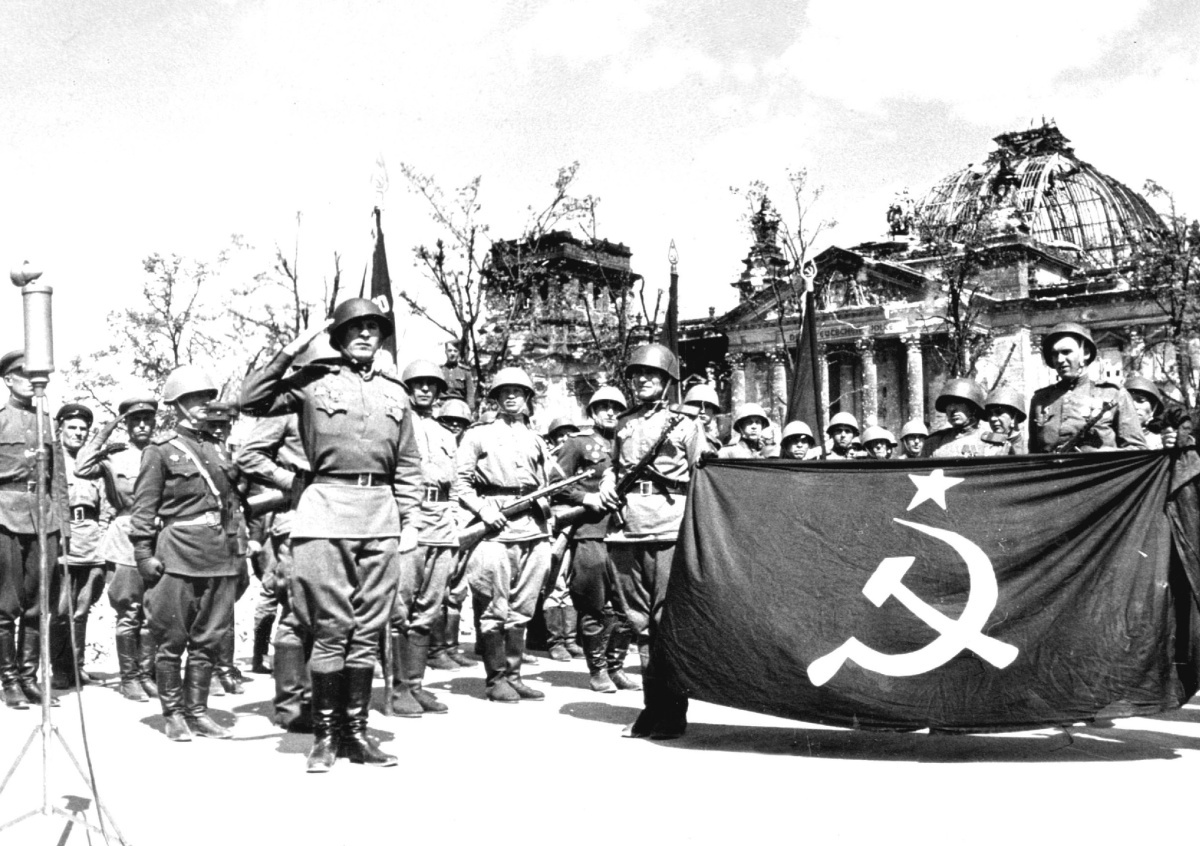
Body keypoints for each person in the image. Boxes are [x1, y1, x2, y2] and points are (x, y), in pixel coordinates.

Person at [241, 299, 422, 772]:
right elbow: (251, 400)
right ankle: (324, 736)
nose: (365, 335)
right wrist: (292, 350)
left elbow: (408, 463)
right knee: (330, 627)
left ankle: (355, 734)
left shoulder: (396, 393)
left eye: (373, 328)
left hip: (380, 515)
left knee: (367, 629)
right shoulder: (313, 380)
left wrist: (410, 523)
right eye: (355, 328)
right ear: (338, 336)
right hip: (324, 511)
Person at [599, 343, 709, 740]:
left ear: (667, 381)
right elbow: (613, 466)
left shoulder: (685, 424)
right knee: (639, 623)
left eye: (652, 375)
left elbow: (704, 475)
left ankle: (673, 712)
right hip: (626, 528)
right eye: (638, 374)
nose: (643, 380)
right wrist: (607, 483)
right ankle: (652, 708)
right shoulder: (623, 423)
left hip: (667, 528)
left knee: (665, 622)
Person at [131, 366, 242, 741]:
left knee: (208, 638)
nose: (204, 405)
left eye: (207, 398)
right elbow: (144, 509)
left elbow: (231, 503)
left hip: (219, 552)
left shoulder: (218, 448)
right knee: (171, 639)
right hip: (178, 553)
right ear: (177, 405)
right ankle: (174, 714)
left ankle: (198, 711)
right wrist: (143, 553)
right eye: (195, 399)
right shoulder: (160, 451)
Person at [454, 366, 553, 704]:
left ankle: (514, 676)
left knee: (523, 606)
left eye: (518, 391)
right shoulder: (478, 435)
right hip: (494, 527)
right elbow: (460, 483)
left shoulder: (536, 438)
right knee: (493, 605)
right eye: (504, 392)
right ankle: (496, 679)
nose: (511, 397)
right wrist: (483, 510)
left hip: (533, 527)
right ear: (495, 398)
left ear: (527, 397)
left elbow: (547, 482)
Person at [553, 386, 640, 693]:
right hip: (591, 530)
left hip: (627, 532)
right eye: (603, 407)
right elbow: (556, 484)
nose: (610, 412)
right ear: (592, 412)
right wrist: (586, 498)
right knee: (593, 603)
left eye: (616, 407)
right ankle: (598, 670)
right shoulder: (578, 443)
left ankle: (616, 667)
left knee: (627, 604)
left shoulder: (631, 443)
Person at [75, 396, 160, 702]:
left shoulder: (162, 452)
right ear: (126, 424)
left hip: (159, 537)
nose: (142, 425)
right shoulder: (115, 457)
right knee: (130, 611)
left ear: (154, 422)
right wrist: (108, 429)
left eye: (147, 420)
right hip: (126, 537)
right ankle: (129, 678)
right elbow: (82, 466)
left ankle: (147, 674)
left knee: (153, 612)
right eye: (134, 420)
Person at [387, 359, 459, 717]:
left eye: (432, 384)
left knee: (429, 608)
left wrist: (455, 520)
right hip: (408, 520)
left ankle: (415, 685)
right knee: (399, 607)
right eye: (419, 384)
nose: (426, 389)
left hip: (441, 524)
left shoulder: (446, 434)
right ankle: (398, 688)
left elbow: (456, 482)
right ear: (408, 389)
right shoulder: (395, 425)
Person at [235, 410, 312, 731]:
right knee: (296, 609)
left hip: (337, 517)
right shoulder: (287, 410)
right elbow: (248, 457)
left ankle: (315, 699)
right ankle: (291, 704)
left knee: (326, 611)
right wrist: (290, 481)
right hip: (295, 519)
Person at [0, 350, 68, 709]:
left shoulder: (46, 421)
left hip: (44, 518)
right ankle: (9, 680)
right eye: (23, 375)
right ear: (7, 379)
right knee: (5, 605)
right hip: (5, 517)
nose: (32, 381)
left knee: (38, 605)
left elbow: (58, 479)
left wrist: (64, 528)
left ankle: (29, 678)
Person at [51, 403, 110, 690]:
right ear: (60, 429)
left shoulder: (94, 464)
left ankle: (77, 665)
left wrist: (103, 531)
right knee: (62, 608)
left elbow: (107, 502)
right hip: (63, 537)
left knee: (82, 609)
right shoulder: (52, 460)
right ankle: (60, 669)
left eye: (83, 429)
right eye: (72, 427)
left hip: (92, 538)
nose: (78, 433)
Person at [1028, 323, 1146, 453]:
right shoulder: (1040, 400)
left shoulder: (1114, 395)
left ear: (1086, 353)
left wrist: (1103, 453)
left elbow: (1138, 450)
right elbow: (1034, 455)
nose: (1060, 359)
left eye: (1066, 352)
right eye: (1055, 354)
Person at [427, 398, 476, 671]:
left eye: (460, 422)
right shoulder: (431, 442)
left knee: (457, 588)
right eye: (449, 421)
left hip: (463, 521)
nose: (455, 426)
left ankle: (450, 646)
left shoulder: (468, 447)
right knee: (437, 586)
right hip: (435, 519)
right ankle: (434, 649)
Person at [922, 379, 1013, 458]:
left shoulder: (993, 442)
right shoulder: (933, 443)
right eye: (948, 404)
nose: (952, 409)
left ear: (973, 408)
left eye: (958, 403)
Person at [1124, 376, 1175, 449]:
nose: (1133, 406)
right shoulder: (1109, 436)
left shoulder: (1163, 440)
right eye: (1127, 400)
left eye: (1141, 400)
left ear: (1153, 408)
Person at [984, 387, 1028, 455]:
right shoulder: (986, 444)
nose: (992, 418)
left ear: (1014, 417)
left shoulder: (1027, 448)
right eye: (990, 414)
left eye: (998, 412)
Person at [682, 383, 722, 452]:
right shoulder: (681, 436)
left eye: (707, 406)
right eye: (698, 406)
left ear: (714, 411)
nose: (702, 411)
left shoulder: (715, 443)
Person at [442, 340, 475, 409]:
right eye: (449, 351)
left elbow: (470, 394)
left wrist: (470, 409)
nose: (452, 353)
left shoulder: (465, 371)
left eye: (455, 351)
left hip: (459, 406)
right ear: (445, 352)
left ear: (459, 353)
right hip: (442, 405)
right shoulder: (440, 370)